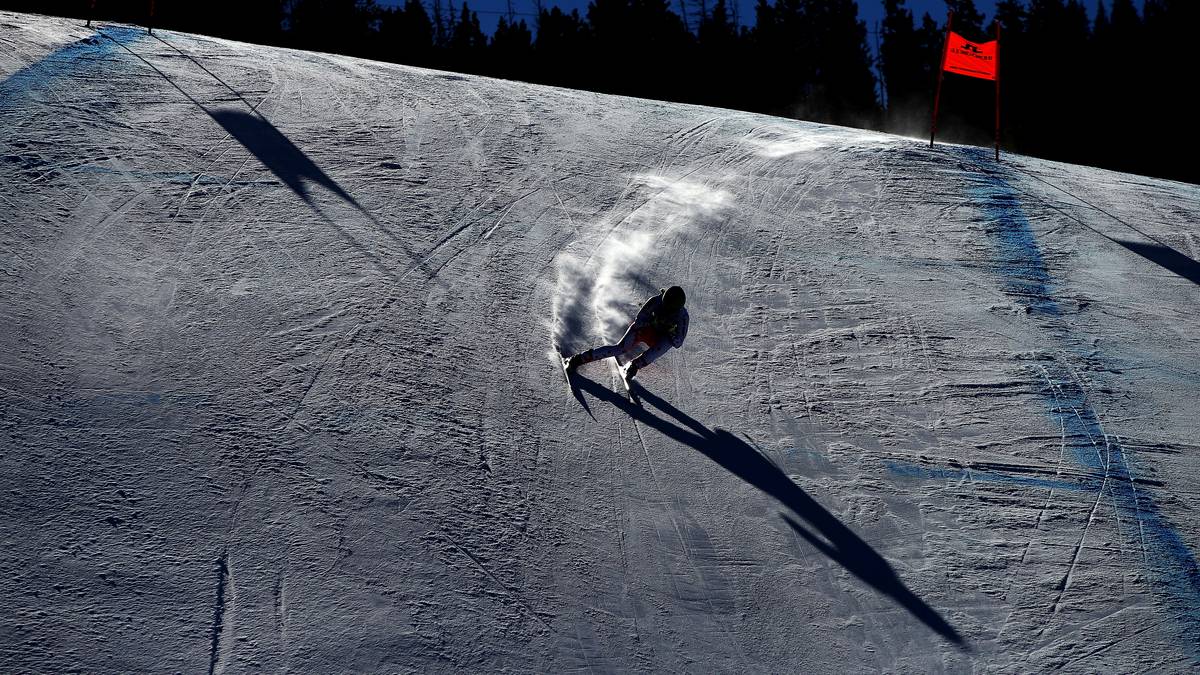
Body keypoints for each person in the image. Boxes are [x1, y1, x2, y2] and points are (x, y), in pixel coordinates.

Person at [566, 286, 689, 381]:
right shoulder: (655, 301)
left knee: (666, 344)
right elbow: (639, 320)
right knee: (619, 348)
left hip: (658, 339)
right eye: (665, 306)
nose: (667, 310)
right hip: (644, 330)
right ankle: (580, 358)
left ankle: (635, 366)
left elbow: (678, 343)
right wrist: (652, 322)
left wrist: (671, 331)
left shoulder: (682, 317)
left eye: (671, 309)